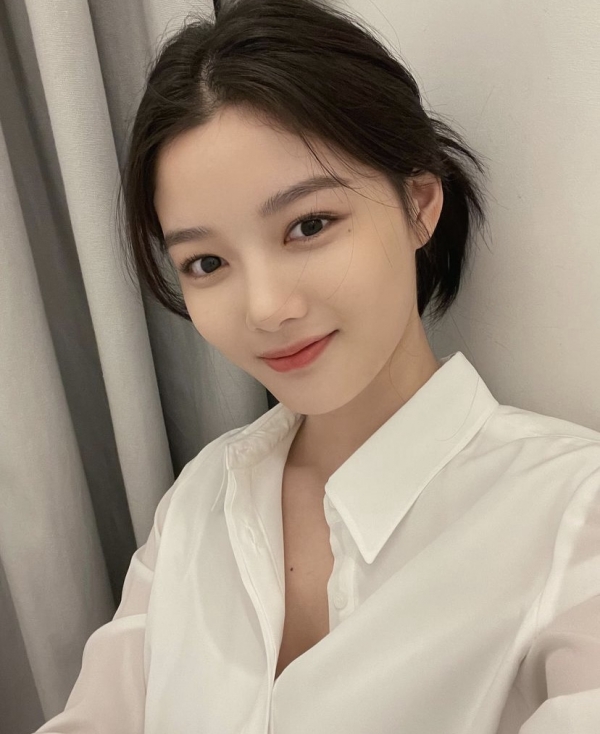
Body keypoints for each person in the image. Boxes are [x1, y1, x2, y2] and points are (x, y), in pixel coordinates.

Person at [34, 0, 600, 732]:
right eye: (206, 263)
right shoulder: (199, 501)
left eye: (309, 225)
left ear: (419, 204)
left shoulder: (572, 514)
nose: (267, 308)